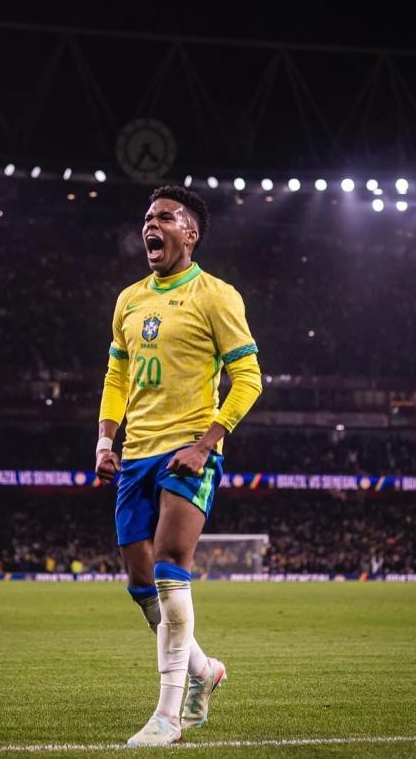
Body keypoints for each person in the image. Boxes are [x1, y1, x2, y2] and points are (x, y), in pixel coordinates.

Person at [95, 184, 262, 746]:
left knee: (170, 566)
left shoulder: (217, 296)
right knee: (141, 583)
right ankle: (203, 670)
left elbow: (249, 379)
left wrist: (208, 442)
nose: (152, 224)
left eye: (165, 217)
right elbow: (117, 376)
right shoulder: (129, 300)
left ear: (190, 233)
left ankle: (168, 716)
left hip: (188, 447)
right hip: (135, 453)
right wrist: (105, 441)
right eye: (148, 216)